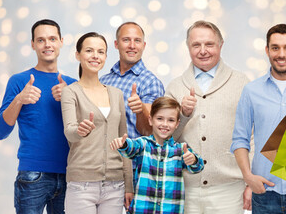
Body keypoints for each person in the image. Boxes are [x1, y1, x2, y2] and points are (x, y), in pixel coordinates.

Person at [230, 24, 286, 213]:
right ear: (267, 50)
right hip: (264, 193)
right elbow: (240, 139)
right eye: (275, 47)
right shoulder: (251, 91)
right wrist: (248, 177)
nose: (281, 54)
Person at [164, 20, 250, 213]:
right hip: (186, 189)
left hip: (229, 188)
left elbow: (253, 134)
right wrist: (183, 115)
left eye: (209, 44)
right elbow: (164, 139)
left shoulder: (241, 82)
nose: (203, 50)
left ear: (220, 45)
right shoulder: (175, 86)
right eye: (196, 45)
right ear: (188, 47)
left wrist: (250, 182)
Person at [0, 19, 76, 214]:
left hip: (70, 175)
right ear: (33, 44)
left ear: (61, 42)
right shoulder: (19, 81)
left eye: (52, 39)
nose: (47, 44)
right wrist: (19, 99)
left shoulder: (73, 85)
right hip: (33, 175)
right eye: (41, 40)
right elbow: (0, 131)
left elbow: (86, 132)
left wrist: (70, 98)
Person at [60, 32, 133, 213]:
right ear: (78, 55)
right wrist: (80, 130)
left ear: (106, 57)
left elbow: (125, 141)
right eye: (89, 50)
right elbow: (69, 131)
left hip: (115, 186)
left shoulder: (116, 94)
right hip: (81, 185)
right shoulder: (70, 92)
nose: (95, 56)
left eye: (100, 52)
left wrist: (129, 184)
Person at [99, 22, 165, 210]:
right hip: (105, 167)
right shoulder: (104, 81)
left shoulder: (150, 82)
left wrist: (141, 110)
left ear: (144, 45)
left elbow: (152, 131)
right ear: (116, 44)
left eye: (137, 41)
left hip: (138, 169)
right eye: (126, 40)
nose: (132, 45)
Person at [110, 97, 205, 214]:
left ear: (177, 124)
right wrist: (123, 144)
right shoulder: (143, 144)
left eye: (171, 120)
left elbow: (198, 166)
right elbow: (131, 147)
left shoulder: (181, 150)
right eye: (160, 119)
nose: (165, 124)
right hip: (142, 210)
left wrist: (193, 160)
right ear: (150, 120)